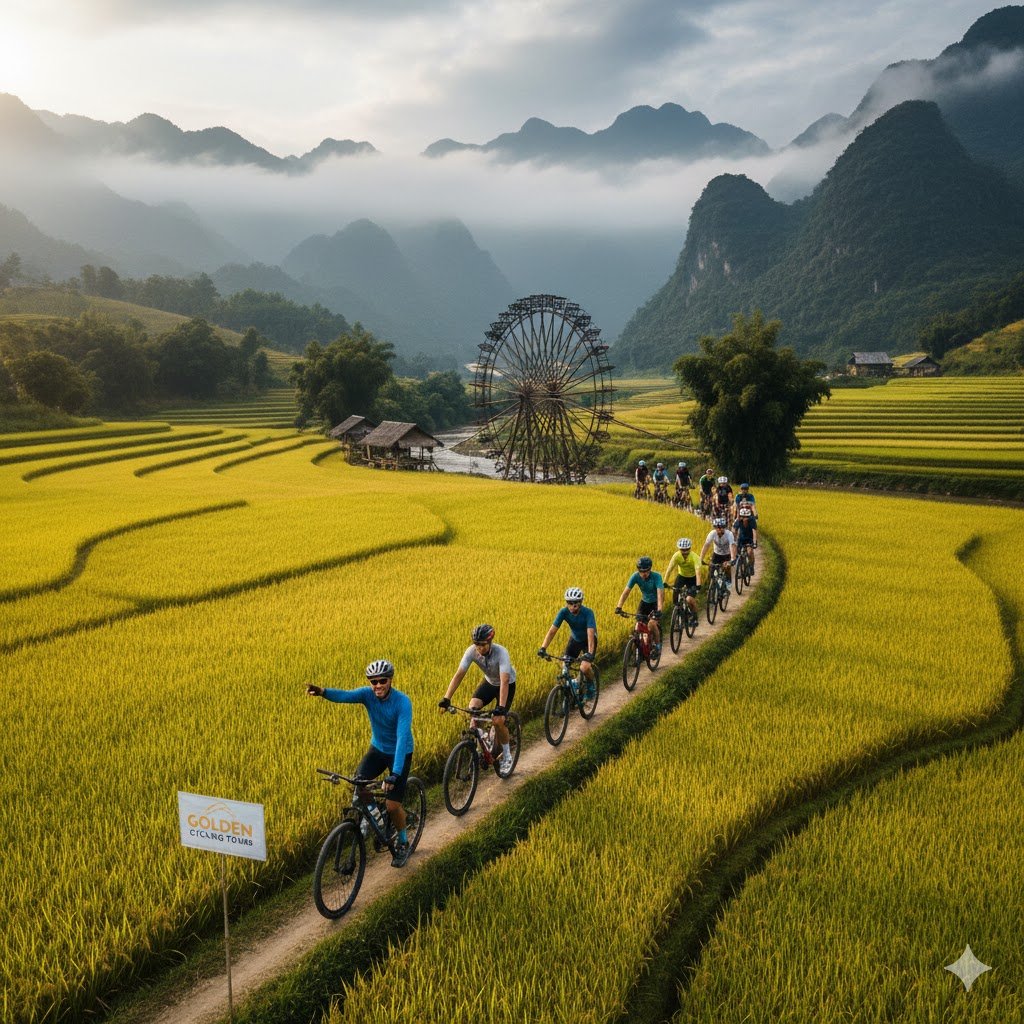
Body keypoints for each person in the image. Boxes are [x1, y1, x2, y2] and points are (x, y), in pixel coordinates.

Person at [306, 659, 414, 867]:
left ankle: (402, 841)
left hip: (400, 753)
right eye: (373, 682)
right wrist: (322, 692)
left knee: (392, 806)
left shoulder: (402, 702)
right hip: (378, 749)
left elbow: (402, 738)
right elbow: (345, 696)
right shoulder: (367, 695)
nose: (378, 685)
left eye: (382, 681)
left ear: (390, 680)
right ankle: (376, 818)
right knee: (358, 783)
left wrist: (395, 774)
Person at [438, 624, 516, 774]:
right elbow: (459, 674)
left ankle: (507, 756)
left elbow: (505, 680)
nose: (479, 648)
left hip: (506, 685)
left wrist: (501, 707)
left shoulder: (501, 653)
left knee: (498, 720)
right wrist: (446, 698)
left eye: (483, 645)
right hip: (489, 683)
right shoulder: (471, 651)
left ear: (490, 642)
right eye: (477, 644)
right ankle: (483, 740)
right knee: (473, 707)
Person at [538, 586, 597, 691]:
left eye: (575, 603)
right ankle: (570, 693)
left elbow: (590, 633)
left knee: (584, 667)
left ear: (580, 602)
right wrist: (543, 648)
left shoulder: (588, 613)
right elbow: (552, 631)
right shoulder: (563, 612)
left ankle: (590, 684)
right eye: (569, 603)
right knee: (565, 665)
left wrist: (590, 653)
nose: (572, 606)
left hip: (588, 640)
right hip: (575, 640)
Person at [615, 556, 664, 652]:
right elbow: (626, 592)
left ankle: (657, 646)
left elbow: (660, 594)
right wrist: (619, 606)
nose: (644, 574)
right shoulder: (635, 576)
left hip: (655, 603)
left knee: (652, 624)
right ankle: (638, 652)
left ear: (650, 569)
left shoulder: (657, 576)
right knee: (638, 626)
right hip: (644, 602)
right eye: (641, 571)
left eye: (646, 571)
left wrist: (659, 610)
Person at [663, 537, 702, 621]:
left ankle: (694, 615)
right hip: (682, 576)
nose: (684, 552)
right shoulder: (676, 556)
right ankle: (679, 613)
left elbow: (698, 573)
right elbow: (669, 569)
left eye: (687, 550)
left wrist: (698, 586)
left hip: (692, 578)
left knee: (689, 599)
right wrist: (665, 582)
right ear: (679, 549)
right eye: (682, 550)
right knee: (675, 595)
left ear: (690, 548)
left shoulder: (695, 557)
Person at [700, 517, 738, 591]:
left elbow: (732, 546)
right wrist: (701, 558)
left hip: (727, 555)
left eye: (721, 527)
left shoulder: (729, 534)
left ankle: (728, 582)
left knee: (727, 568)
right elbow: (706, 545)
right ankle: (711, 586)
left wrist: (732, 559)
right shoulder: (712, 534)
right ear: (715, 528)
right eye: (717, 528)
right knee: (711, 568)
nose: (719, 529)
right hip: (716, 554)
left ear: (724, 527)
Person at [733, 482, 758, 547]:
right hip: (740, 514)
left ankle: (754, 541)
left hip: (749, 514)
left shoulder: (751, 496)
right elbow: (737, 507)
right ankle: (733, 540)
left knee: (754, 526)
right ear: (740, 489)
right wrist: (736, 516)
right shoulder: (738, 496)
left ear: (747, 490)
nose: (744, 490)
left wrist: (755, 514)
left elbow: (753, 506)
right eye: (742, 489)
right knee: (735, 526)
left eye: (745, 489)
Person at [733, 506, 756, 573]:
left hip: (750, 539)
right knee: (736, 551)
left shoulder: (752, 521)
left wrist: (754, 542)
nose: (744, 518)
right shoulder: (738, 521)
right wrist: (733, 540)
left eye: (746, 517)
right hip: (741, 538)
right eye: (743, 516)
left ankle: (751, 566)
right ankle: (739, 564)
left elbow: (754, 532)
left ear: (749, 517)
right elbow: (734, 531)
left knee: (749, 552)